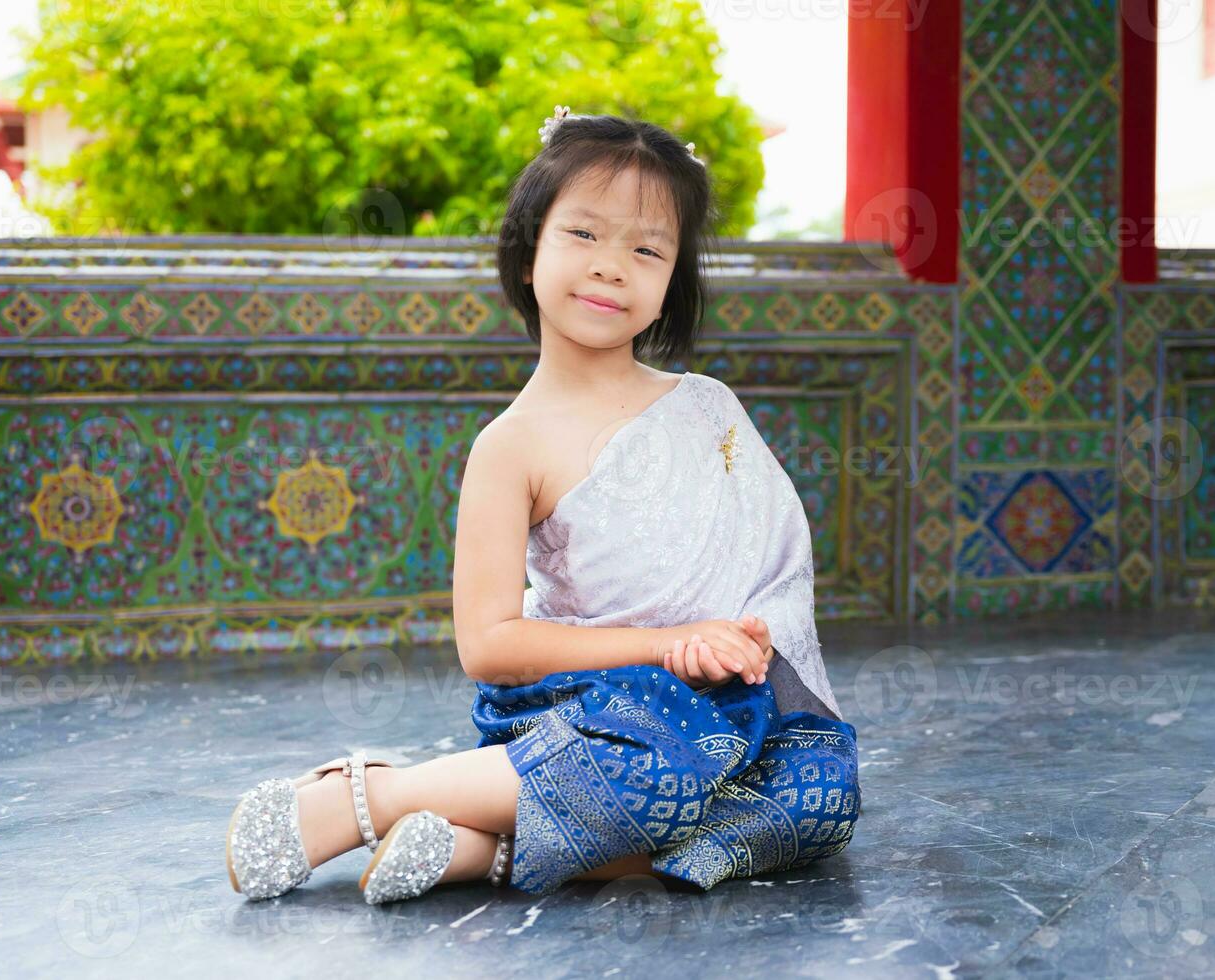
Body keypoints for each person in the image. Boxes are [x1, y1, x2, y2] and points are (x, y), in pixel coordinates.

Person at [225, 107, 860, 906]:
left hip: (729, 710)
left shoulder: (708, 406)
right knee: (656, 773)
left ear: (670, 286)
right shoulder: (510, 446)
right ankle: (365, 798)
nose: (611, 267)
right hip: (592, 717)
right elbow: (488, 645)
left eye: (646, 249)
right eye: (584, 235)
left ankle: (472, 848)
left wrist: (739, 643)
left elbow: (768, 569)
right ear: (528, 253)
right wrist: (669, 647)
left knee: (816, 804)